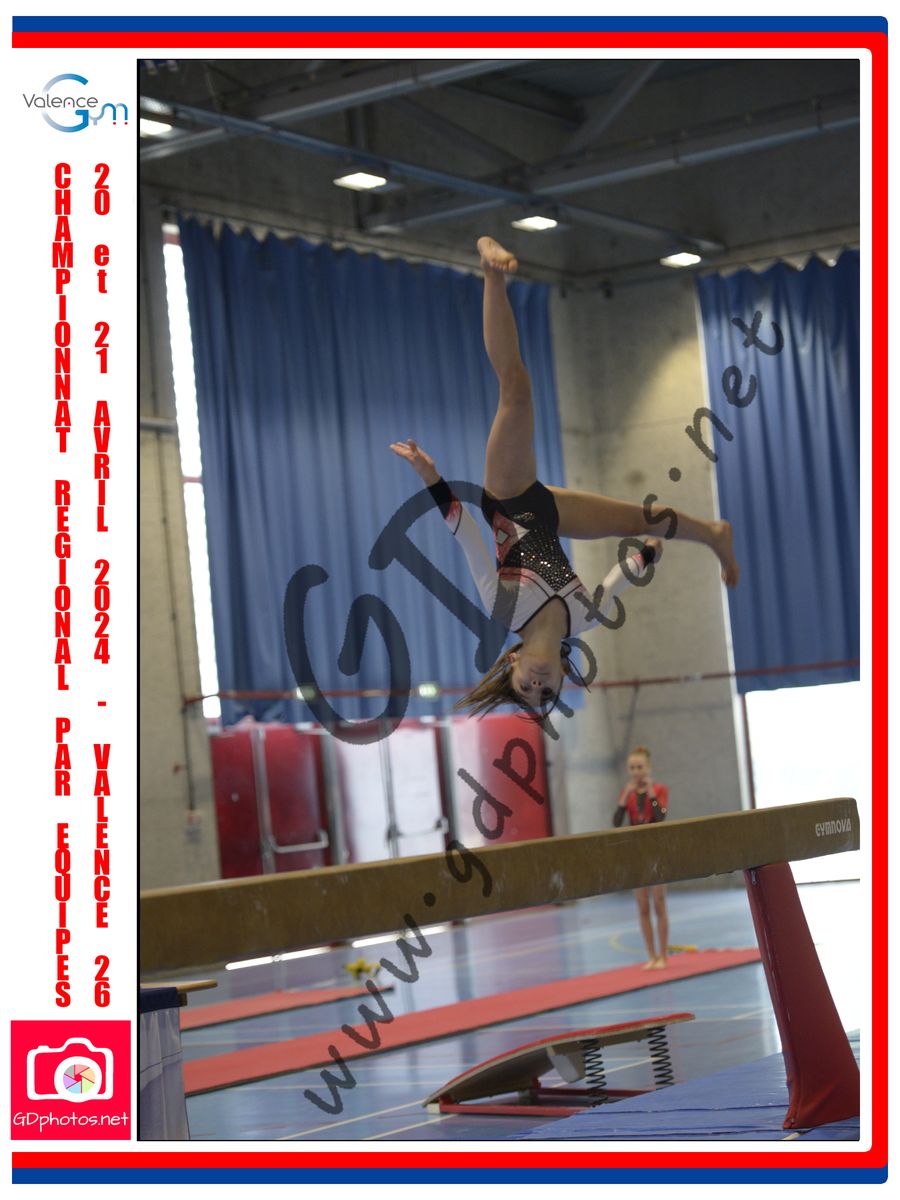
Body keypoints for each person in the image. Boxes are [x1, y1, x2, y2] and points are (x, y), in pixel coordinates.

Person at [390, 236, 739, 716]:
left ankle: (491, 273)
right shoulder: (584, 619)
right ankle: (714, 533)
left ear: (512, 661)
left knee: (516, 389)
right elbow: (617, 581)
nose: (537, 685)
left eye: (525, 688)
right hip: (548, 515)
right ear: (561, 676)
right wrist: (647, 556)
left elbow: (466, 533)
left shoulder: (504, 609)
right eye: (547, 693)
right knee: (641, 519)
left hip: (509, 497)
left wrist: (431, 477)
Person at [613, 745, 670, 968]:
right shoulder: (626, 793)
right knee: (643, 906)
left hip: (656, 852)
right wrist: (623, 799)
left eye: (640, 767)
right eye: (632, 768)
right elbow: (616, 823)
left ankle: (663, 955)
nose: (636, 772)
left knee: (659, 903)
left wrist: (652, 794)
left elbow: (660, 817)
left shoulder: (660, 789)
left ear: (648, 768)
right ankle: (651, 956)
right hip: (636, 852)